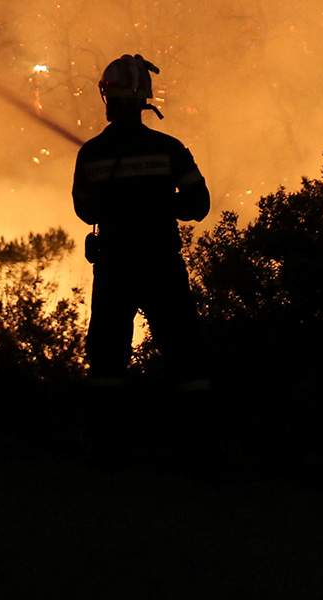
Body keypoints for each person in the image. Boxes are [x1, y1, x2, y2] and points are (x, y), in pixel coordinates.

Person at [72, 54, 210, 387]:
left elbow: (85, 211)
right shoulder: (169, 149)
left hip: (113, 270)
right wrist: (163, 204)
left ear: (109, 97)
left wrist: (116, 203)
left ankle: (109, 434)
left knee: (107, 362)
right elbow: (199, 204)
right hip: (161, 265)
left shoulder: (92, 153)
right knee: (185, 355)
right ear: (143, 99)